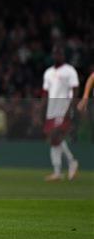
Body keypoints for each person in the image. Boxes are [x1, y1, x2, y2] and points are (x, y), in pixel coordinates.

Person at [42, 46, 79, 181]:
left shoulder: (69, 70)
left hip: (63, 108)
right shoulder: (48, 73)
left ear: (63, 56)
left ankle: (70, 163)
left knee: (56, 134)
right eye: (55, 54)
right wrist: (41, 109)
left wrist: (71, 107)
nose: (57, 56)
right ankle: (59, 170)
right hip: (51, 110)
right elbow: (45, 93)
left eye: (60, 54)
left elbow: (75, 89)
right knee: (54, 140)